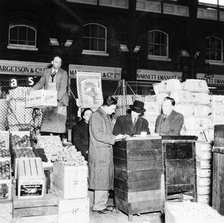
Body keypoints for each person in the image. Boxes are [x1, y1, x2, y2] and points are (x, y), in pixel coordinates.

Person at [88, 96, 125, 214]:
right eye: (113, 108)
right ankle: (98, 206)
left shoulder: (105, 116)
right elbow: (98, 134)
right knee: (101, 179)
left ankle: (101, 204)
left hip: (105, 152)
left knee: (104, 179)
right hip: (100, 153)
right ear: (106, 106)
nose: (114, 111)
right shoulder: (96, 116)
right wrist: (114, 138)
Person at [32, 56, 69, 134]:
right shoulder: (46, 72)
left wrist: (57, 99)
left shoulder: (63, 73)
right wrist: (32, 89)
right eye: (56, 62)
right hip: (48, 100)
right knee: (47, 125)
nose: (58, 64)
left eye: (60, 62)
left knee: (58, 126)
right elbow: (40, 83)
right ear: (52, 62)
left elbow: (63, 88)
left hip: (60, 101)